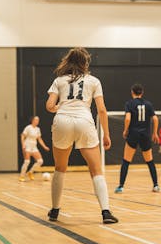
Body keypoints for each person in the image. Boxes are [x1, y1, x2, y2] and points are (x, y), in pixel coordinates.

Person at [46, 47, 118, 224]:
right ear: (85, 63)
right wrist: (106, 134)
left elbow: (49, 105)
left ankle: (55, 210)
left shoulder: (59, 80)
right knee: (96, 170)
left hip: (62, 120)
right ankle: (106, 212)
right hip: (84, 121)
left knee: (60, 168)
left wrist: (60, 109)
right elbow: (101, 109)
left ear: (68, 61)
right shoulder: (94, 81)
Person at [114, 83, 160, 193]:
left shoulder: (129, 104)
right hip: (145, 135)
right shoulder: (148, 104)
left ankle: (121, 186)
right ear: (142, 93)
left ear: (132, 92)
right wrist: (155, 133)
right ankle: (156, 185)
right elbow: (155, 119)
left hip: (133, 134)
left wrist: (125, 130)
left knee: (126, 161)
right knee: (150, 161)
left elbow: (128, 119)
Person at [19, 116, 50, 182]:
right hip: (27, 145)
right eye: (36, 120)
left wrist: (44, 146)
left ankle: (30, 172)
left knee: (40, 161)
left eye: (38, 120)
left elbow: (39, 139)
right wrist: (23, 144)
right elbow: (22, 136)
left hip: (34, 146)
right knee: (27, 161)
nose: (37, 121)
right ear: (32, 120)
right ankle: (22, 176)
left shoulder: (37, 129)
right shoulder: (28, 127)